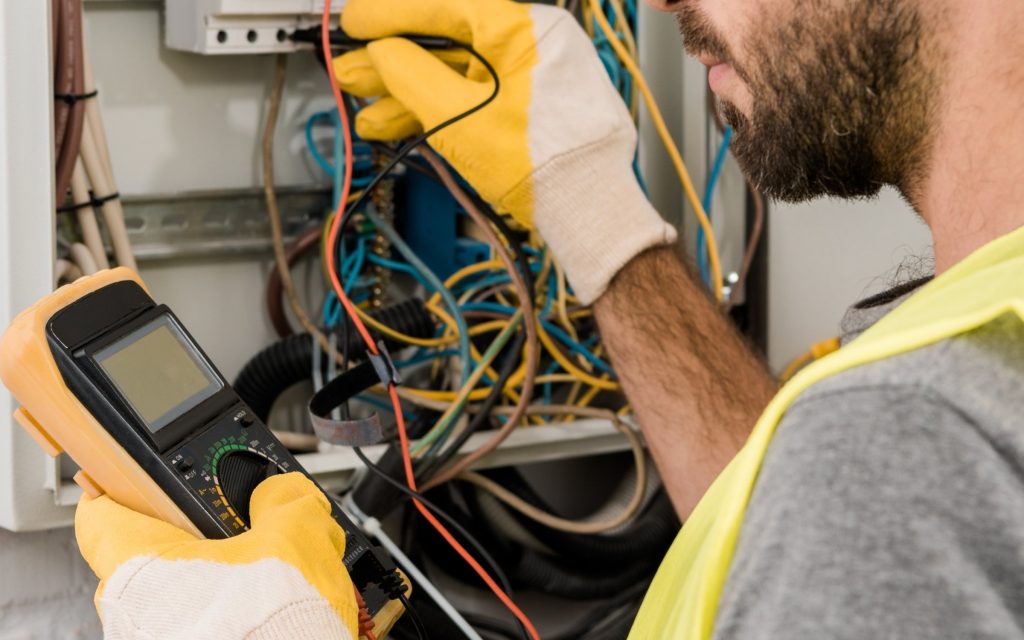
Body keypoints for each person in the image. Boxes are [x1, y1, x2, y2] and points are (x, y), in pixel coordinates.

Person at [75, 0, 1024, 638]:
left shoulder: (911, 434)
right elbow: (790, 527)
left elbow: (863, 493)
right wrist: (592, 209)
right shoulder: (960, 359)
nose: (656, 7)